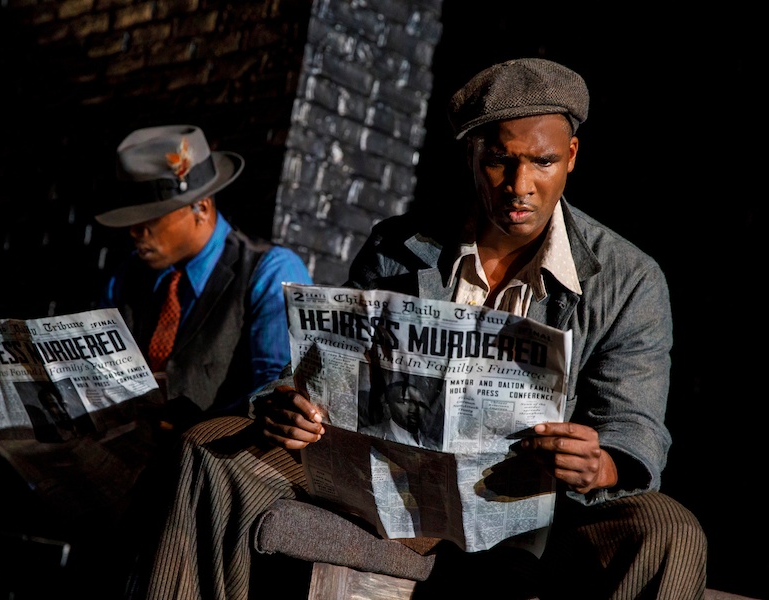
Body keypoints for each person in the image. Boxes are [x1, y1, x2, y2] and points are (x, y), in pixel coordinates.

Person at [138, 59, 707, 600]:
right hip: (388, 488)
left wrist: (602, 463)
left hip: (540, 514)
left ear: (572, 157)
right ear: (471, 157)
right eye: (499, 160)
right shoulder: (398, 248)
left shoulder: (629, 279)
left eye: (544, 162)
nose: (520, 185)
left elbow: (632, 427)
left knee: (670, 531)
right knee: (208, 448)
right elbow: (320, 370)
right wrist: (287, 402)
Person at [71, 124, 313, 596]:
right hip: (121, 470)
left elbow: (273, 389)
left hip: (204, 475)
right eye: (132, 220)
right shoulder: (128, 280)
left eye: (150, 219)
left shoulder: (269, 270)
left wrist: (184, 426)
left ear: (200, 207)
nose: (136, 233)